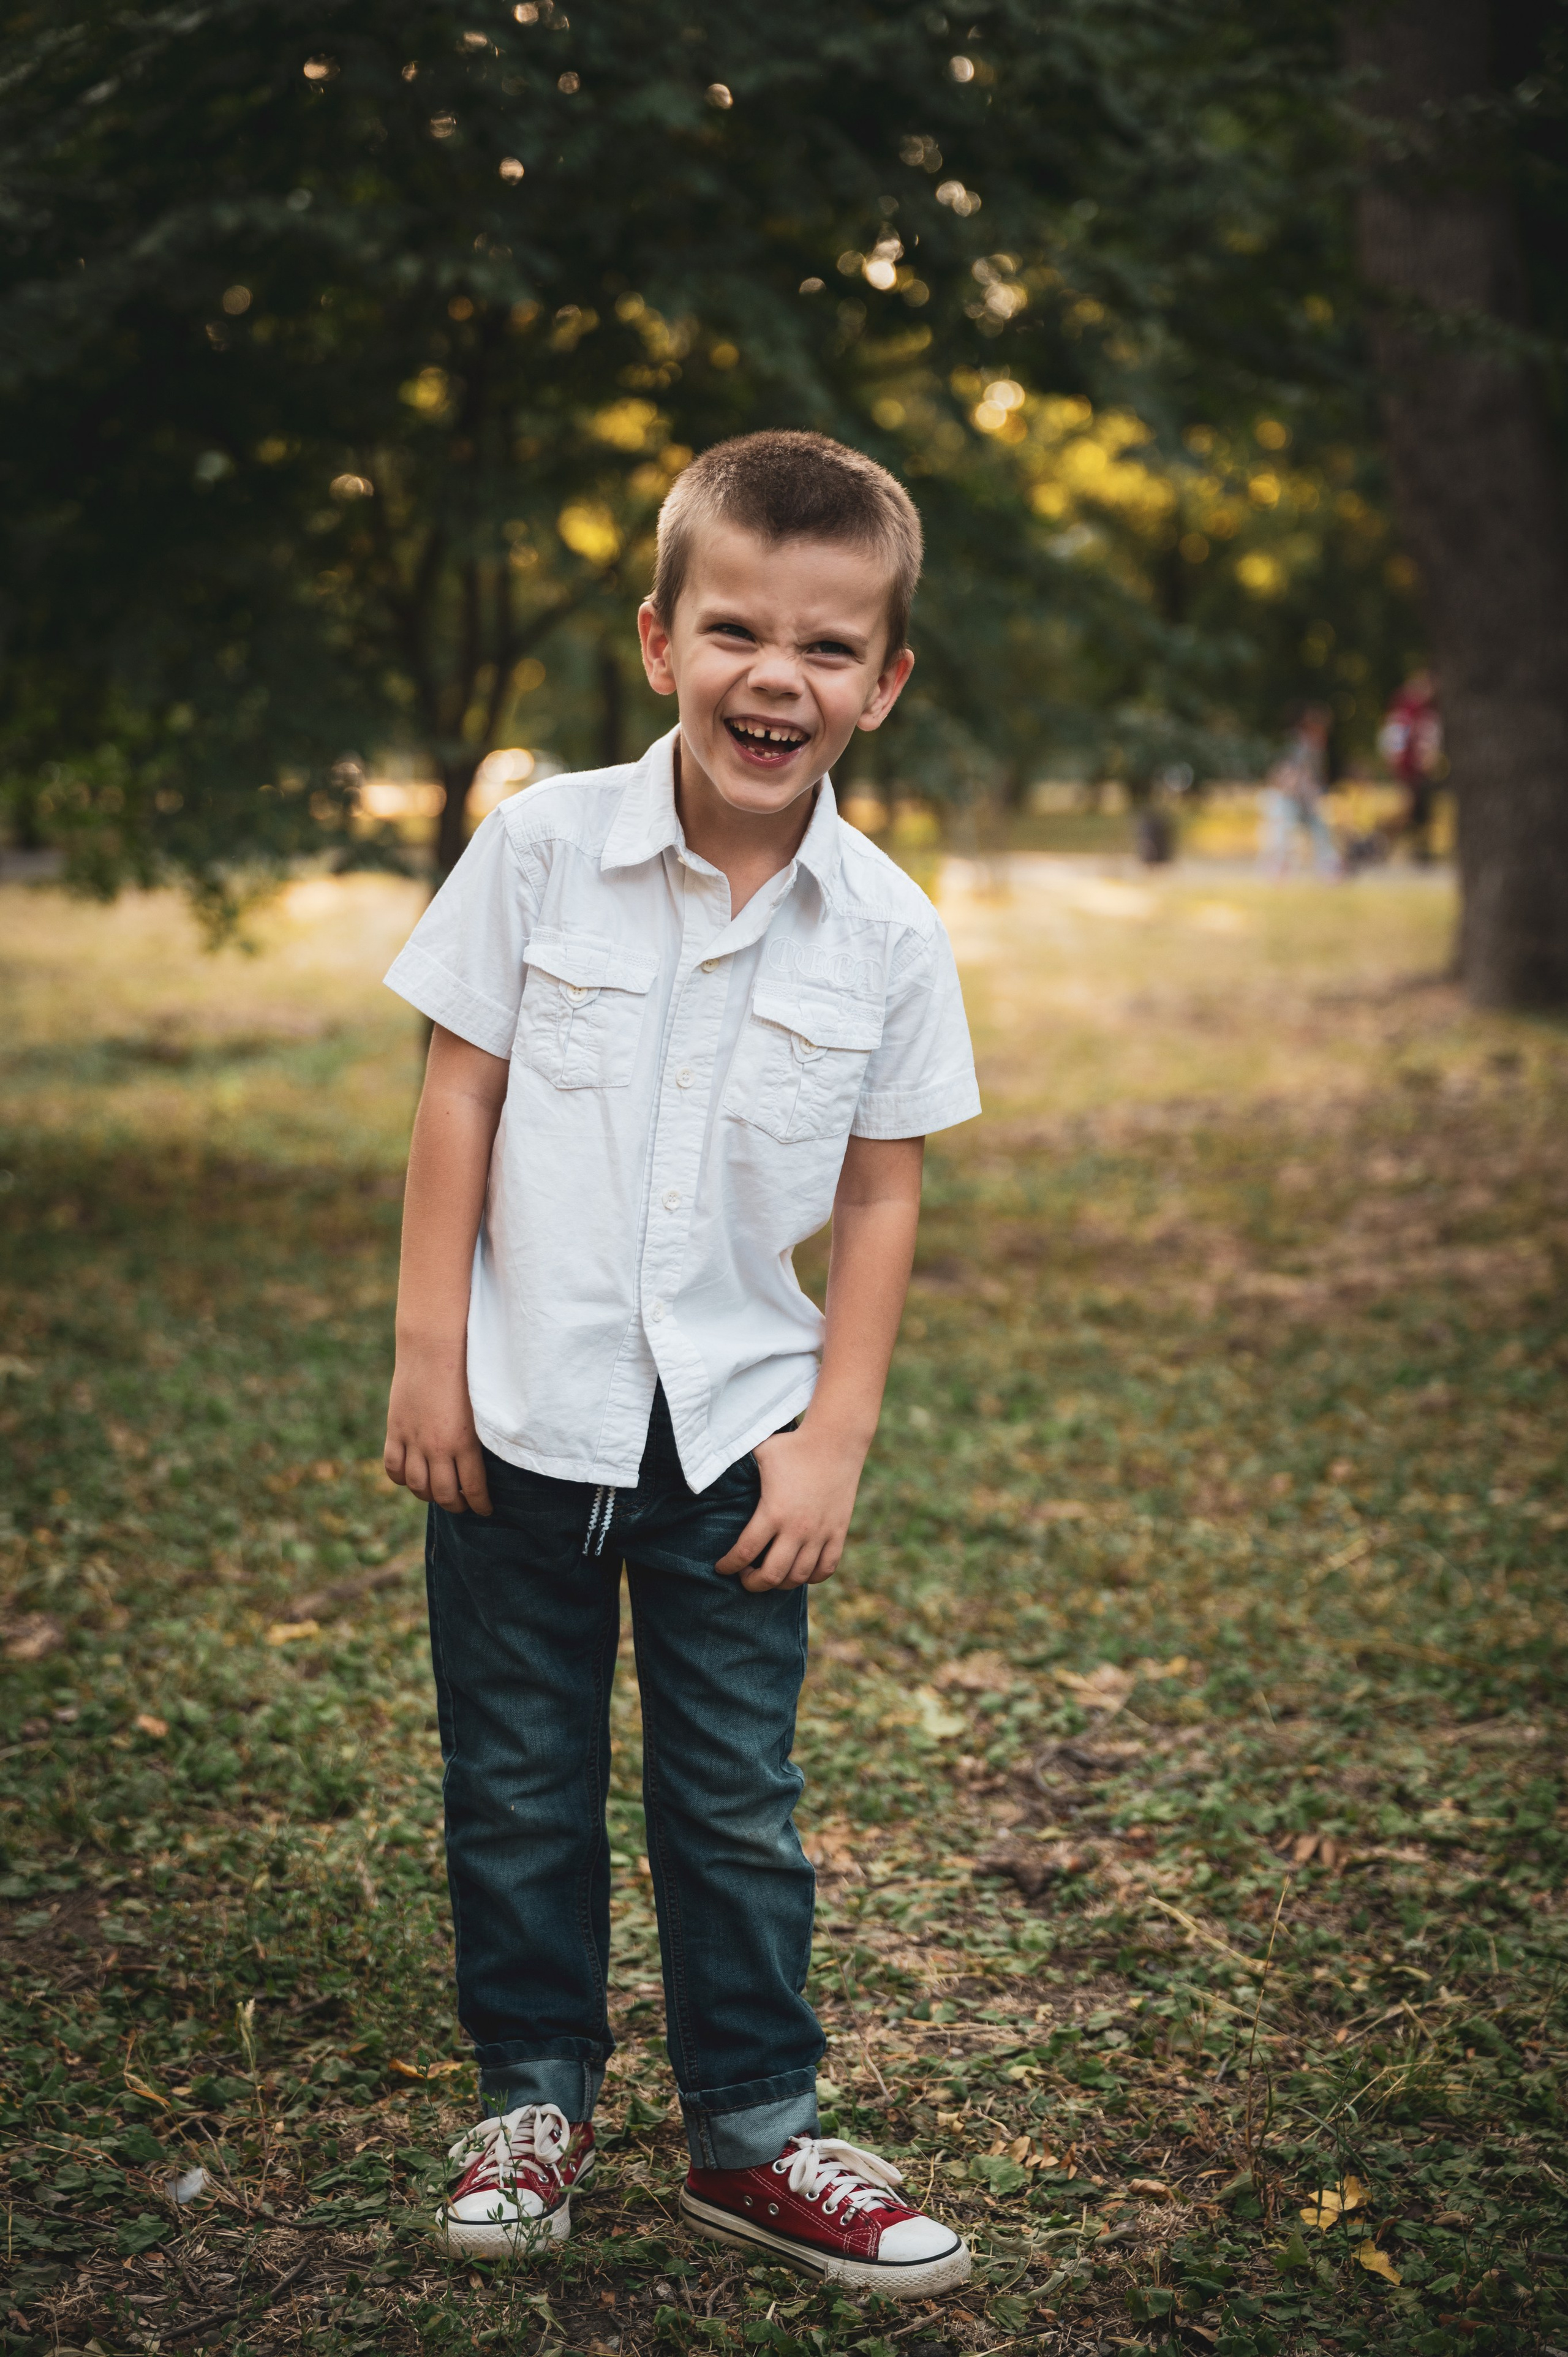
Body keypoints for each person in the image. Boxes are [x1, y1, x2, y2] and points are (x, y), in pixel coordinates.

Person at [380, 431, 981, 2294]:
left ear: (881, 682)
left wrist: (834, 1440)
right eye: (734, 628)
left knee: (730, 1794)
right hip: (520, 1415)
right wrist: (425, 1352)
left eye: (823, 646)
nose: (771, 676)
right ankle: (532, 2100)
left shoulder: (885, 931)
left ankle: (753, 2132)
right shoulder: (543, 846)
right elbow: (457, 1090)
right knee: (519, 1775)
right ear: (659, 639)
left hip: (734, 1434)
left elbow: (879, 1199)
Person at [1257, 704, 1339, 877]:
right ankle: (1277, 865)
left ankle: (1328, 865)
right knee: (1282, 826)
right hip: (1286, 799)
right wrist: (1304, 792)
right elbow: (1287, 778)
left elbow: (1314, 781)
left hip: (1302, 801)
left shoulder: (1316, 751)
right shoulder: (1297, 747)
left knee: (1320, 828)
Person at [1378, 669, 1442, 861]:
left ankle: (1415, 849)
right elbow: (1396, 734)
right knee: (1407, 809)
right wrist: (1396, 758)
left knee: (1419, 810)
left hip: (1418, 768)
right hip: (1407, 767)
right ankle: (1384, 844)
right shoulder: (1406, 710)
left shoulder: (1426, 710)